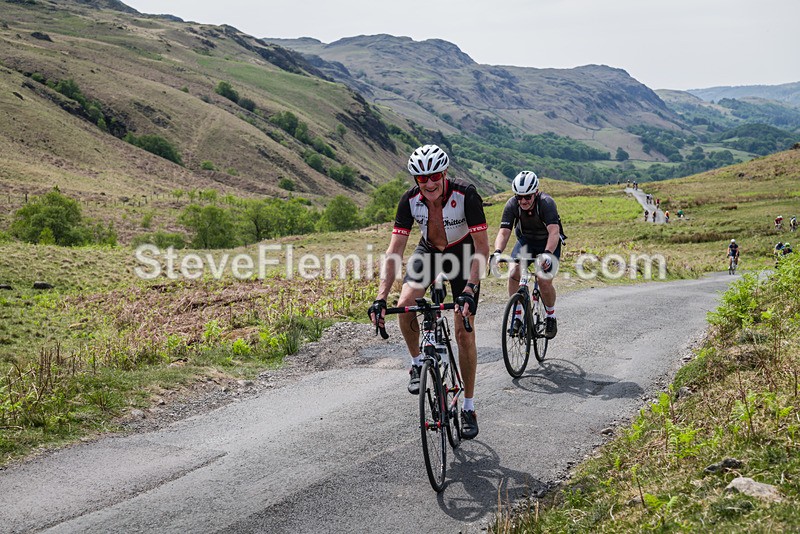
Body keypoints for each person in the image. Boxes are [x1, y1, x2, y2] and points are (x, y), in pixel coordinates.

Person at [368, 144, 488, 440]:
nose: (430, 183)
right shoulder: (409, 200)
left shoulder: (466, 194)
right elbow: (395, 251)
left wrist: (471, 289)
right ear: (415, 180)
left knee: (464, 332)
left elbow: (482, 248)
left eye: (434, 175)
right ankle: (417, 363)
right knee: (406, 302)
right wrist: (381, 297)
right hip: (430, 252)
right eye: (422, 179)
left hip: (463, 254)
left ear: (444, 172)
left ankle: (468, 407)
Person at [491, 170, 562, 340]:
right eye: (519, 196)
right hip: (526, 242)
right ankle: (516, 316)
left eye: (527, 197)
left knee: (543, 280)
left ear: (535, 193)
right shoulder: (512, 204)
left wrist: (546, 254)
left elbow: (554, 232)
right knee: (514, 271)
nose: (523, 201)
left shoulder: (546, 203)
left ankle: (550, 316)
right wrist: (497, 252)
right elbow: (504, 232)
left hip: (548, 243)